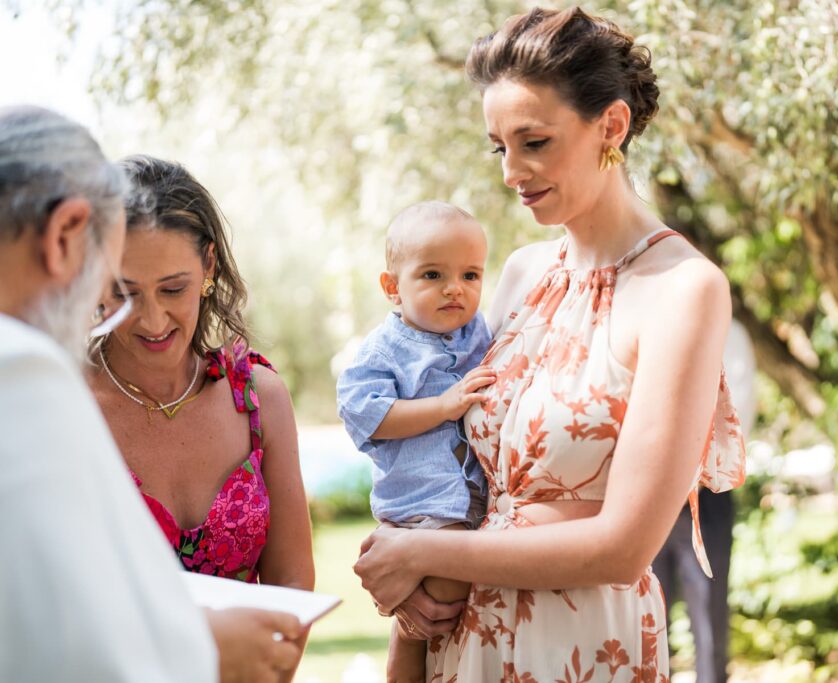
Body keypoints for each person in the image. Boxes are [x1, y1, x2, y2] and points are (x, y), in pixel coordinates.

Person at [353, 8, 745, 681]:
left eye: (533, 142)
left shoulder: (684, 289)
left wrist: (418, 554)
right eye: (499, 147)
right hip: (462, 641)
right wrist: (413, 614)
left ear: (611, 126)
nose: (512, 171)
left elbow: (624, 546)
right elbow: (458, 470)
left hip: (580, 645)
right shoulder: (519, 273)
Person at [0, 105, 303, 683]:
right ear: (67, 233)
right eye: (114, 285)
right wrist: (207, 653)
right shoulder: (26, 374)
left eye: (172, 289)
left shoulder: (256, 393)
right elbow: (48, 634)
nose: (141, 317)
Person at [87, 155, 315, 678]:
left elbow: (293, 586)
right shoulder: (65, 406)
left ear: (209, 266)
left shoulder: (259, 398)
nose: (153, 320)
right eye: (125, 292)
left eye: (173, 288)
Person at [336, 201, 492, 680]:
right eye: (432, 275)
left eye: (470, 275)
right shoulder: (386, 349)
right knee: (441, 601)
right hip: (422, 504)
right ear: (392, 287)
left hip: (472, 502)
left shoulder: (478, 333)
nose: (454, 288)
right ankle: (403, 650)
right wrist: (442, 406)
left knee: (461, 610)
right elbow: (367, 414)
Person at [652, 320, 756, 682]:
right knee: (644, 617)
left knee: (709, 620)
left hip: (708, 492)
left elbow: (737, 418)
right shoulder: (646, 323)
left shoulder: (730, 333)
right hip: (648, 494)